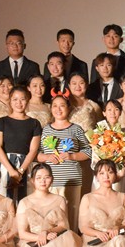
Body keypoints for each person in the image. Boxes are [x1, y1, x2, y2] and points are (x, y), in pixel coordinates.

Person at [15, 163, 81, 247]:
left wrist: (48, 232)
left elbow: (63, 226)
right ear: (32, 180)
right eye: (39, 178)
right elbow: (22, 233)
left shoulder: (59, 200)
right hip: (33, 240)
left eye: (47, 177)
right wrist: (40, 237)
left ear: (52, 179)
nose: (43, 181)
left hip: (54, 236)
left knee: (69, 238)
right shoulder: (24, 202)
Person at [37, 95, 89, 232]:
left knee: (71, 216)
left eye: (62, 105)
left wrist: (72, 156)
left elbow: (89, 151)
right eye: (55, 106)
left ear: (68, 108)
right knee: (52, 218)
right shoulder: (46, 130)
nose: (58, 109)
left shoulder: (76, 129)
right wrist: (47, 157)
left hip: (72, 179)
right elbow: (37, 154)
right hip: (50, 181)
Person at [0, 85, 42, 203]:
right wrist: (11, 170)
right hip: (5, 164)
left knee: (24, 200)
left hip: (25, 164)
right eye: (15, 99)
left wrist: (21, 171)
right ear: (10, 100)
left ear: (27, 100)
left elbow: (33, 150)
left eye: (22, 99)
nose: (18, 103)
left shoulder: (34, 123)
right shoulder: (2, 121)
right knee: (4, 200)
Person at [89, 99, 125, 199]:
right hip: (101, 175)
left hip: (119, 173)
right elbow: (95, 158)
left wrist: (120, 174)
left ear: (120, 112)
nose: (113, 113)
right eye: (109, 110)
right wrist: (102, 174)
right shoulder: (97, 132)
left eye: (116, 109)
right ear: (104, 113)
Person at [0, 28, 40, 99]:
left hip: (26, 104)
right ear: (6, 46)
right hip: (3, 104)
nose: (15, 46)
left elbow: (37, 89)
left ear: (24, 46)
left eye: (18, 43)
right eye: (11, 43)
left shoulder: (33, 66)